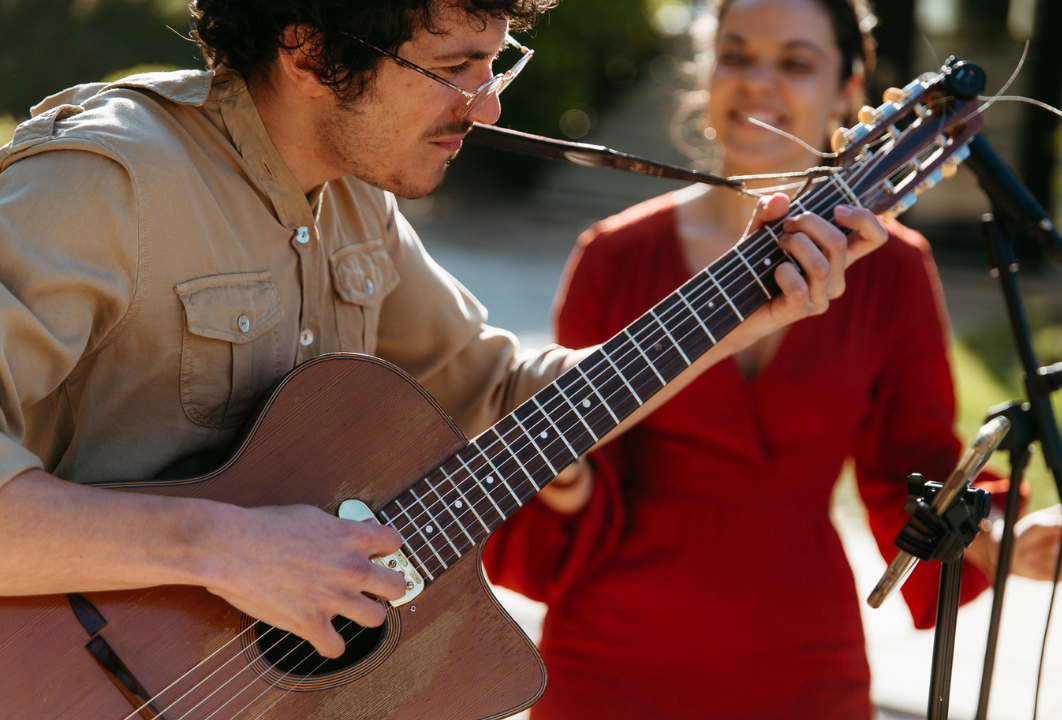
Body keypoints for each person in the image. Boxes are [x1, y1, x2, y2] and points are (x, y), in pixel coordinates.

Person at [0, 0, 885, 686]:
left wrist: (738, 310)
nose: (489, 105)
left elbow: (500, 395)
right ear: (307, 52)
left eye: (496, 63)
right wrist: (216, 543)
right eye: (455, 68)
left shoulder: (358, 199)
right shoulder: (106, 181)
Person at [483, 0, 1062, 718]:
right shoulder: (615, 256)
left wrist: (998, 539)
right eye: (736, 55)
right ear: (706, 75)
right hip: (612, 655)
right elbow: (575, 484)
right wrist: (558, 468)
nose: (758, 81)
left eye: (795, 62)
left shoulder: (893, 269)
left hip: (804, 651)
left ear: (850, 91)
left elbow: (914, 465)